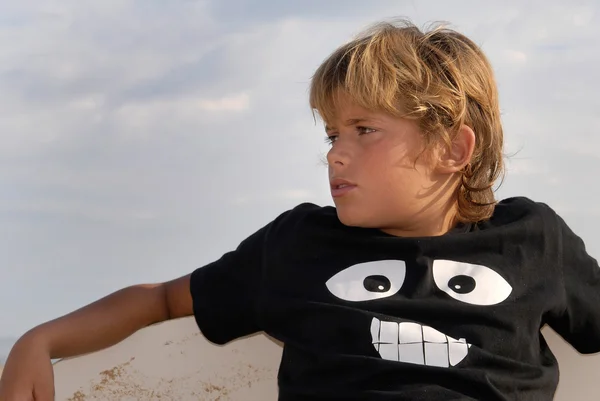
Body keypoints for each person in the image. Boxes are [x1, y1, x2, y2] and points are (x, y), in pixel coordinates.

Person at [1, 18, 599, 401]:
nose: (336, 155)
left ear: (453, 147)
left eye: (364, 130)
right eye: (331, 135)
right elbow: (162, 299)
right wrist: (41, 338)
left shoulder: (532, 240)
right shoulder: (300, 245)